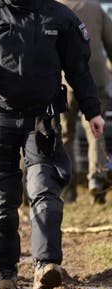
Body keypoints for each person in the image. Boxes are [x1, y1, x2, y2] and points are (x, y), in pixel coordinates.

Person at [0, 0, 105, 289]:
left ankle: (45, 265)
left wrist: (92, 111)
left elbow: (79, 67)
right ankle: (6, 270)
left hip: (43, 121)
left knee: (45, 191)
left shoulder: (61, 17)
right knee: (3, 198)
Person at [58, 0, 112, 204]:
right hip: (96, 75)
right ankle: (96, 181)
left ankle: (68, 190)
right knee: (95, 130)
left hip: (65, 79)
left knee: (65, 134)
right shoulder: (94, 7)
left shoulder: (55, 6)